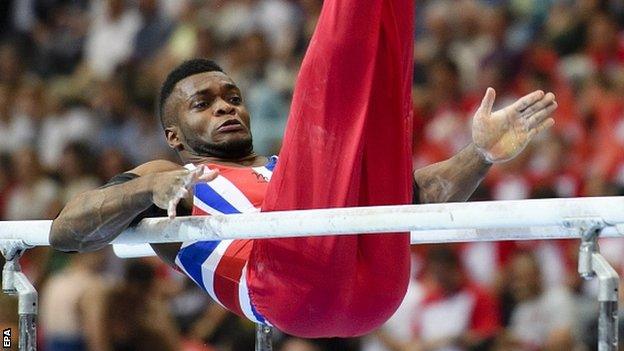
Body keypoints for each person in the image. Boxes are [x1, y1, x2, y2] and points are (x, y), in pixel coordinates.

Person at [51, 0, 557, 338]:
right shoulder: (170, 179)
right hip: (285, 291)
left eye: (232, 97)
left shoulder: (289, 171)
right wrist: (151, 188)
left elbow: (417, 196)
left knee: (379, 111)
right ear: (174, 136)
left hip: (379, 290)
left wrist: (482, 153)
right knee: (329, 105)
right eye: (202, 104)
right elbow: (65, 232)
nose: (226, 107)